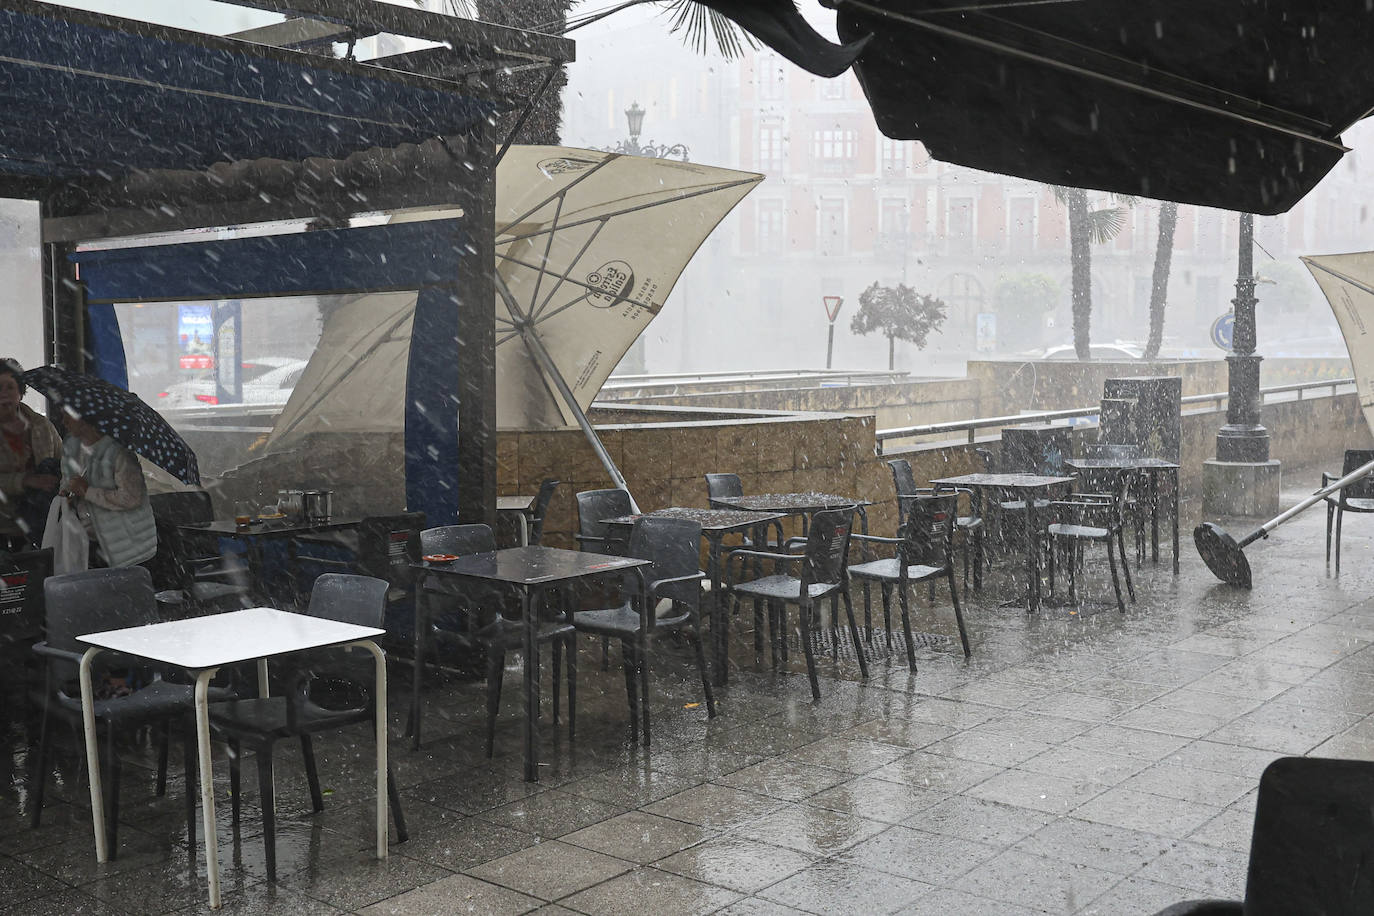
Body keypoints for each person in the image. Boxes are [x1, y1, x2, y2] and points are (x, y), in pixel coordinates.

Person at [58, 413, 158, 568]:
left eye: (68, 415)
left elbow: (131, 497)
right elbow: (66, 480)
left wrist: (87, 491)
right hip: (89, 542)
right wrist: (66, 492)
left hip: (126, 546)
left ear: (86, 418)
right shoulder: (71, 448)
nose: (63, 421)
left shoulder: (119, 453)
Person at [0, 358, 61, 551]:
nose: (3, 394)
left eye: (9, 387)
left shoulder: (42, 426)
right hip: (4, 529)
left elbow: (64, 462)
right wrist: (25, 481)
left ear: (20, 391)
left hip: (43, 524)